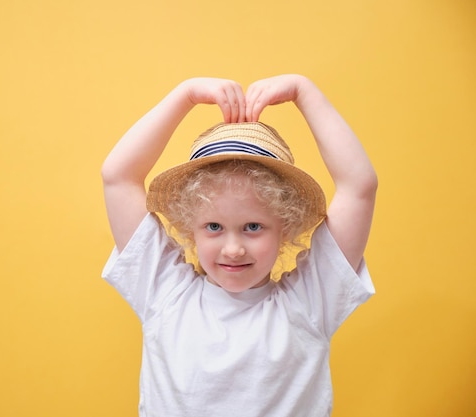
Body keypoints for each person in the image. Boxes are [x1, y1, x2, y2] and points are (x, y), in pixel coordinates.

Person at [101, 74, 377, 417]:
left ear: (286, 226)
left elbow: (359, 186)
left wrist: (305, 92)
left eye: (253, 227)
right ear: (190, 226)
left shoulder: (309, 302)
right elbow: (117, 177)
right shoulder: (164, 291)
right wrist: (184, 95)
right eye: (214, 226)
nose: (233, 249)